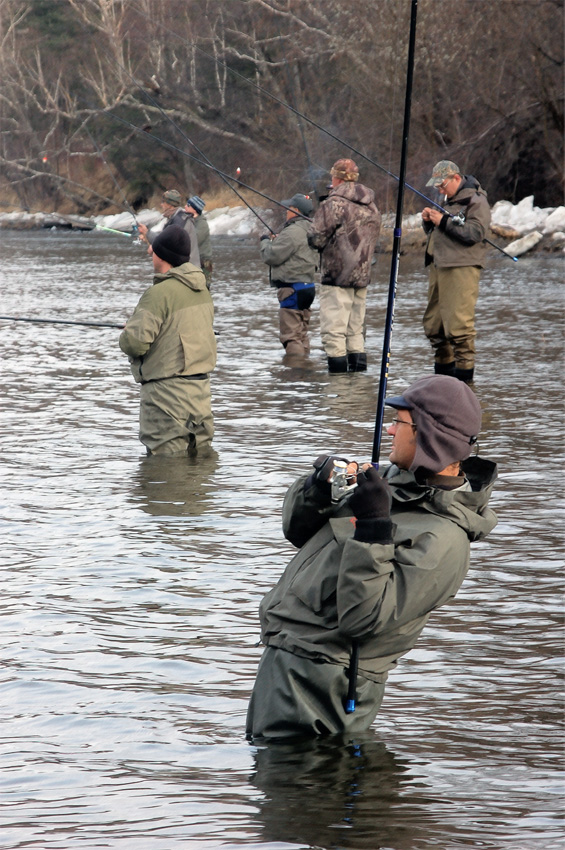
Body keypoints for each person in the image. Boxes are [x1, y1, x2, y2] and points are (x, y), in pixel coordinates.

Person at [246, 375, 497, 741]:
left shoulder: (445, 541)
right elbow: (297, 532)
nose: (391, 431)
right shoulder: (387, 486)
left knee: (302, 793)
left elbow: (363, 619)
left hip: (323, 693)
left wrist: (375, 527)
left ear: (431, 435)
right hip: (285, 667)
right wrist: (317, 489)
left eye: (401, 422)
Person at [119, 225, 216, 456]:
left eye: (154, 248)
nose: (149, 251)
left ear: (162, 255)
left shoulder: (158, 294)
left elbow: (134, 343)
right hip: (200, 396)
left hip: (166, 399)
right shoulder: (203, 291)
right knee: (198, 472)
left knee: (165, 474)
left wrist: (128, 331)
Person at [307, 158, 381, 373]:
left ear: (336, 177)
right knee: (355, 332)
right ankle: (357, 386)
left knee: (334, 334)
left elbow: (315, 238)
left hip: (337, 276)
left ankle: (338, 389)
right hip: (362, 276)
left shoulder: (334, 203)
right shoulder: (371, 205)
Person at [421, 160, 491, 384]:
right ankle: (443, 386)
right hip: (439, 265)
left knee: (459, 331)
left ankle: (464, 389)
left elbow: (475, 233)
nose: (440, 190)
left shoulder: (476, 200)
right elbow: (443, 231)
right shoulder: (448, 201)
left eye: (442, 185)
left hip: (461, 267)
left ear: (456, 179)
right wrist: (429, 222)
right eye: (437, 187)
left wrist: (443, 221)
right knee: (435, 328)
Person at [260, 193, 318, 357]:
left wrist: (265, 241)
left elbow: (271, 256)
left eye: (289, 208)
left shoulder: (292, 232)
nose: (286, 211)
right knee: (301, 333)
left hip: (292, 289)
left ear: (296, 210)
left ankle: (295, 371)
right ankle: (305, 367)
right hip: (308, 288)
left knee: (291, 337)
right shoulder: (312, 228)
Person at [137, 189, 201, 269]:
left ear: (170, 205)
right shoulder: (177, 218)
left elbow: (166, 243)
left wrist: (147, 234)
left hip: (187, 271)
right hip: (186, 270)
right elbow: (164, 239)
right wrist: (147, 236)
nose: (161, 204)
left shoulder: (179, 221)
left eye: (163, 202)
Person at [185, 195, 213, 288]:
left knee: (204, 288)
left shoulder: (202, 224)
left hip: (203, 262)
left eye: (188, 205)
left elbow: (194, 240)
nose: (185, 206)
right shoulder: (191, 221)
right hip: (195, 260)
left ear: (194, 209)